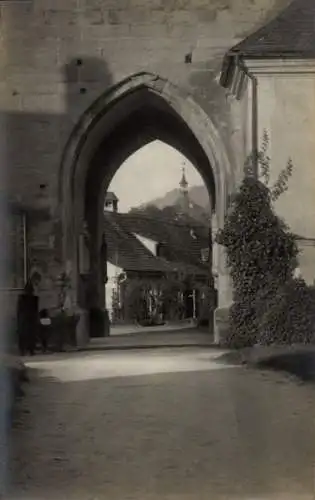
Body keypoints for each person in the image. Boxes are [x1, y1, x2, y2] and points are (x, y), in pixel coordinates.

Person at [16, 281, 39, 356]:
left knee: (23, 335)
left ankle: (23, 350)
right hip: (31, 318)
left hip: (24, 318)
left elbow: (19, 310)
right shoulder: (34, 299)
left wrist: (18, 319)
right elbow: (36, 310)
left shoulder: (22, 298)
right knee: (31, 335)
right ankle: (31, 350)